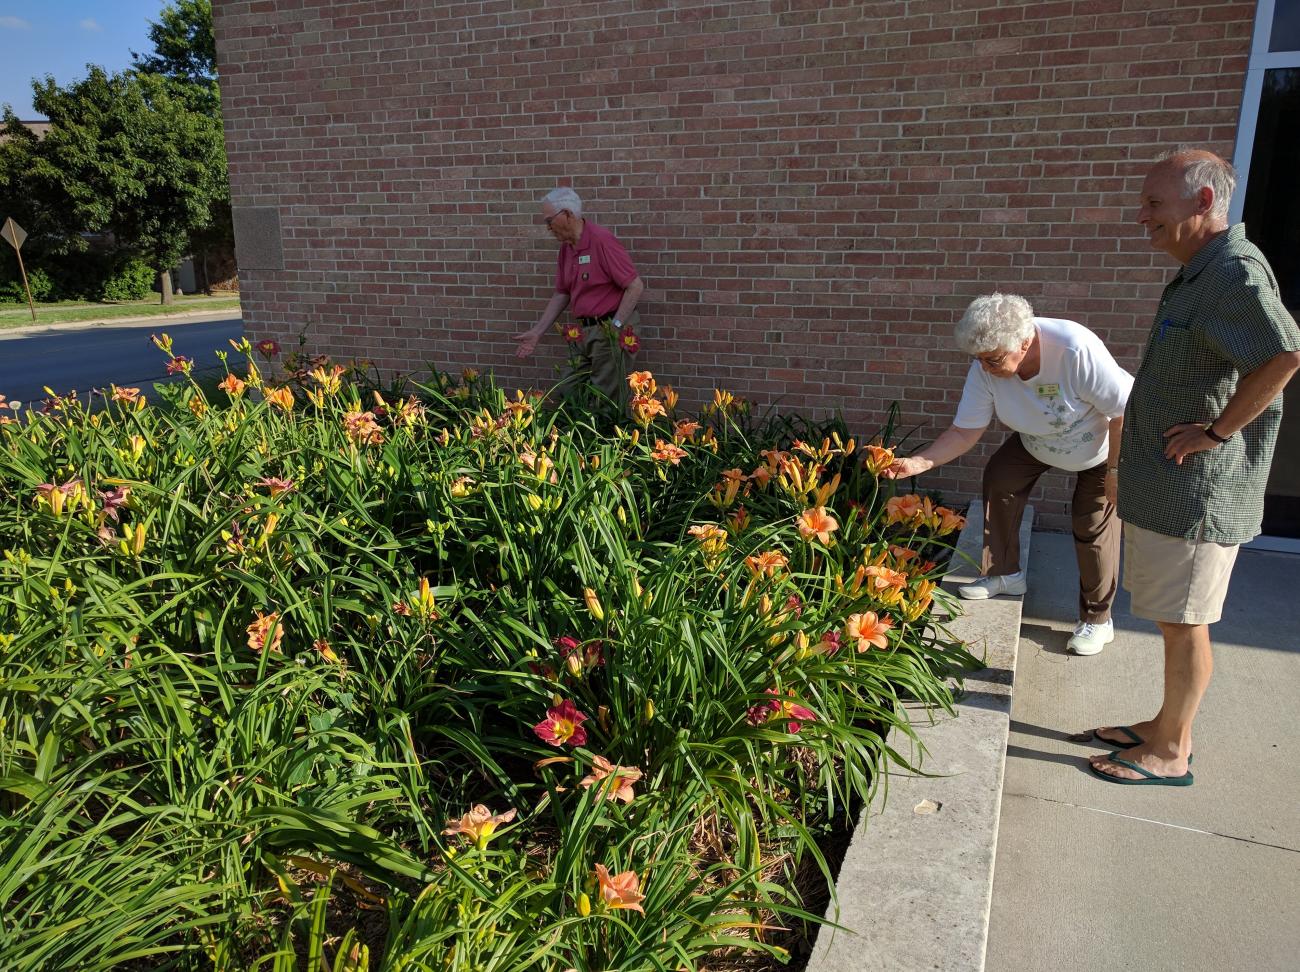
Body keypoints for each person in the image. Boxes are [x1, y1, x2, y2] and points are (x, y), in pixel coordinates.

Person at [1088, 149, 1300, 786]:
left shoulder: (1234, 271)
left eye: (1154, 203)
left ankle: (1171, 751)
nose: (1141, 215)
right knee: (1172, 618)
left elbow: (1284, 353)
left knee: (1185, 624)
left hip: (1199, 494)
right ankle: (1163, 725)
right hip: (1170, 489)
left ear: (1203, 201)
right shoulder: (1200, 272)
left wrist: (1216, 431)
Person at [884, 293, 1133, 656]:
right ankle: (1005, 574)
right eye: (979, 359)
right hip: (1037, 439)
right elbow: (964, 431)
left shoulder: (1074, 349)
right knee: (1001, 478)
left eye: (994, 359)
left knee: (1093, 523)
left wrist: (1115, 471)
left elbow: (1124, 412)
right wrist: (920, 462)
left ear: (1025, 341)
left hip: (1100, 448)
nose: (986, 367)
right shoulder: (986, 365)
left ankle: (1098, 620)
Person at [514, 187, 645, 403]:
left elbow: (635, 286)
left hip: (610, 327)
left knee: (606, 398)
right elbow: (562, 293)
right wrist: (537, 332)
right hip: (584, 331)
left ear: (567, 214)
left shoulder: (601, 240)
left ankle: (607, 435)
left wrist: (616, 325)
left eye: (549, 221)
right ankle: (579, 433)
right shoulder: (567, 249)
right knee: (568, 388)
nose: (548, 228)